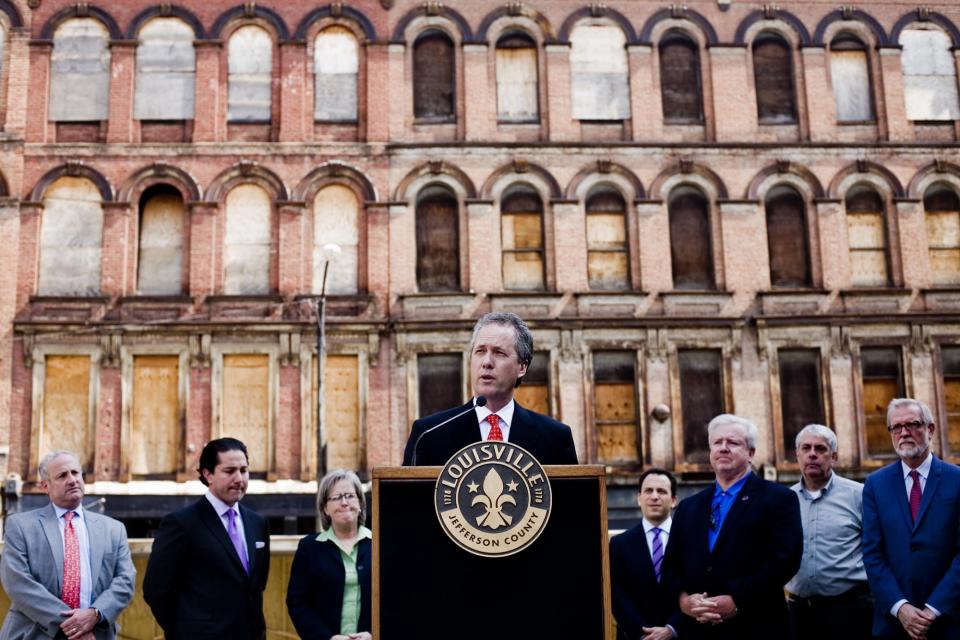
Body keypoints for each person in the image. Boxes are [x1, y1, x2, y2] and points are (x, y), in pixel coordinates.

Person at [664, 414, 802, 639]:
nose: (724, 448)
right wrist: (683, 601)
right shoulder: (688, 507)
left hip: (756, 626)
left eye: (733, 442)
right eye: (717, 443)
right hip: (697, 629)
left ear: (750, 453)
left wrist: (737, 599)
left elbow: (785, 561)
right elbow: (671, 567)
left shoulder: (778, 499)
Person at [402, 312, 577, 466]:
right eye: (480, 351)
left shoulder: (555, 438)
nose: (486, 362)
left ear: (522, 367)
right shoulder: (428, 434)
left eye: (499, 353)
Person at [143, 437, 270, 640]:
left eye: (244, 470)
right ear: (208, 474)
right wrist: (185, 631)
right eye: (229, 471)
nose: (239, 479)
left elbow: (256, 586)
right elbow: (156, 590)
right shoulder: (181, 524)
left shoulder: (257, 523)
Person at [0, 450, 135, 640]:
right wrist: (74, 625)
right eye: (62, 475)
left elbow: (125, 581)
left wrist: (95, 614)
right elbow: (17, 582)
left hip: (96, 633)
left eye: (75, 472)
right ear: (45, 486)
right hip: (35, 634)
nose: (72, 480)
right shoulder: (20, 526)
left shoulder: (113, 529)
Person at [862, 398, 960, 639]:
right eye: (896, 427)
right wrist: (900, 607)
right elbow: (872, 553)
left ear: (930, 429)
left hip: (948, 621)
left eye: (912, 424)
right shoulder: (875, 484)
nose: (903, 432)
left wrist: (933, 609)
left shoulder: (956, 480)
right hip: (893, 624)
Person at [785, 424, 872, 640]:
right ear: (797, 455)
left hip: (850, 611)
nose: (812, 454)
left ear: (833, 457)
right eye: (806, 448)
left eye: (820, 449)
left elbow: (877, 549)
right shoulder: (784, 500)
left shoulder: (859, 495)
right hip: (798, 613)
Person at [287, 469, 372, 640]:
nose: (344, 502)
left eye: (350, 495)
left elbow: (396, 600)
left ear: (361, 504)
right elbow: (297, 603)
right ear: (325, 508)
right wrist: (327, 638)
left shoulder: (379, 544)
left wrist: (374, 634)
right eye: (336, 497)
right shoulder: (309, 548)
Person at [610, 468, 683, 640]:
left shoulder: (689, 540)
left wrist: (671, 629)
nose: (655, 496)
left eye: (662, 491)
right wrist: (643, 634)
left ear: (673, 500)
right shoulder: (619, 544)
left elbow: (697, 588)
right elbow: (616, 596)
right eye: (648, 491)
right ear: (639, 498)